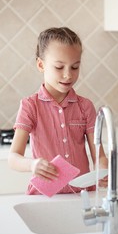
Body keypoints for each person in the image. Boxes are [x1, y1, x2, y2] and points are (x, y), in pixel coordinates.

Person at [8, 27, 108, 195]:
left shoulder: (85, 106)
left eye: (75, 67)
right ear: (41, 65)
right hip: (43, 198)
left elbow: (99, 155)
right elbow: (13, 158)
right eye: (59, 67)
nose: (68, 75)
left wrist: (102, 170)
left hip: (82, 194)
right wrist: (32, 164)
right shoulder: (30, 105)